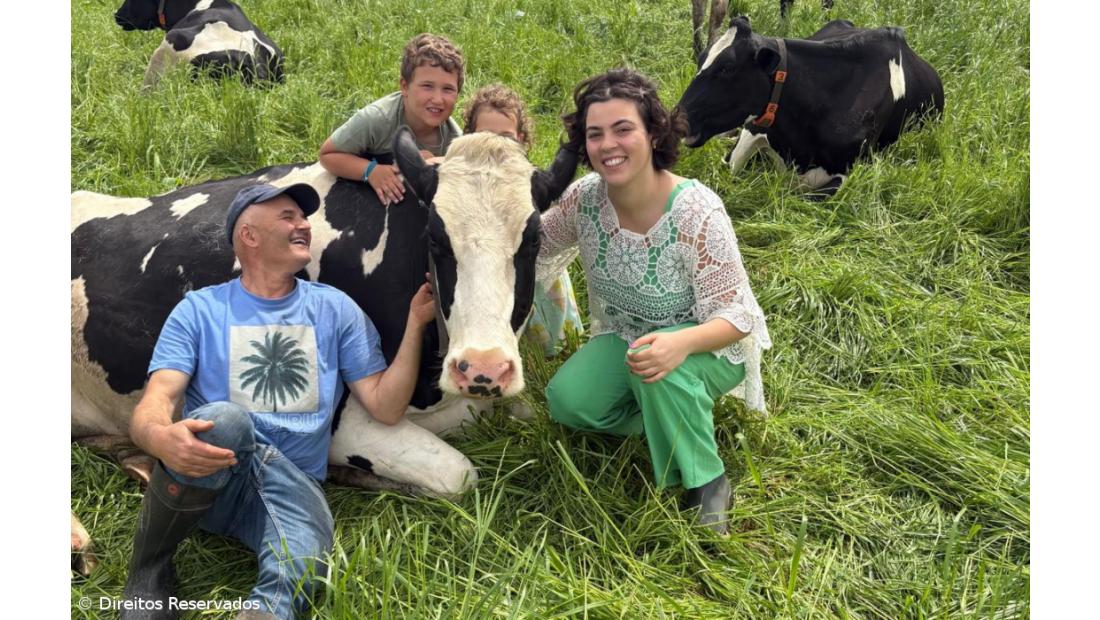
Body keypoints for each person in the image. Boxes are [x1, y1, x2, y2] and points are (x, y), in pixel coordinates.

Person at [120, 183, 436, 619]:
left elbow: (385, 406)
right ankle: (147, 572)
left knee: (305, 566)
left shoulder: (334, 309)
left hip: (295, 484)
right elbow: (157, 398)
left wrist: (416, 325)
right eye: (287, 216)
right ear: (249, 235)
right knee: (224, 420)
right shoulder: (199, 309)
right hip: (215, 474)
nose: (304, 224)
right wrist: (159, 438)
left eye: (303, 217)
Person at [538, 68, 772, 535]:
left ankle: (708, 481)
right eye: (595, 134)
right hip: (627, 335)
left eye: (623, 129)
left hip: (709, 344)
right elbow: (532, 246)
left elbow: (739, 316)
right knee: (566, 401)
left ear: (653, 132)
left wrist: (680, 344)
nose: (608, 145)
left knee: (654, 361)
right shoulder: (584, 200)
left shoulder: (695, 210)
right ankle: (675, 419)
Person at [461, 83, 584, 357]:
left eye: (506, 137)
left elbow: (553, 186)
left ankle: (555, 348)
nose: (495, 145)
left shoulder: (527, 179)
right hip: (483, 270)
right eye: (485, 135)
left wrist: (575, 141)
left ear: (521, 138)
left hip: (531, 266)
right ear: (468, 137)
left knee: (547, 295)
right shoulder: (460, 179)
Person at [319, 33, 464, 206]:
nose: (438, 99)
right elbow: (327, 155)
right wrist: (371, 172)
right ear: (404, 86)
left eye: (448, 89)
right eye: (427, 86)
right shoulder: (376, 119)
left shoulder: (455, 141)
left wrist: (435, 165)